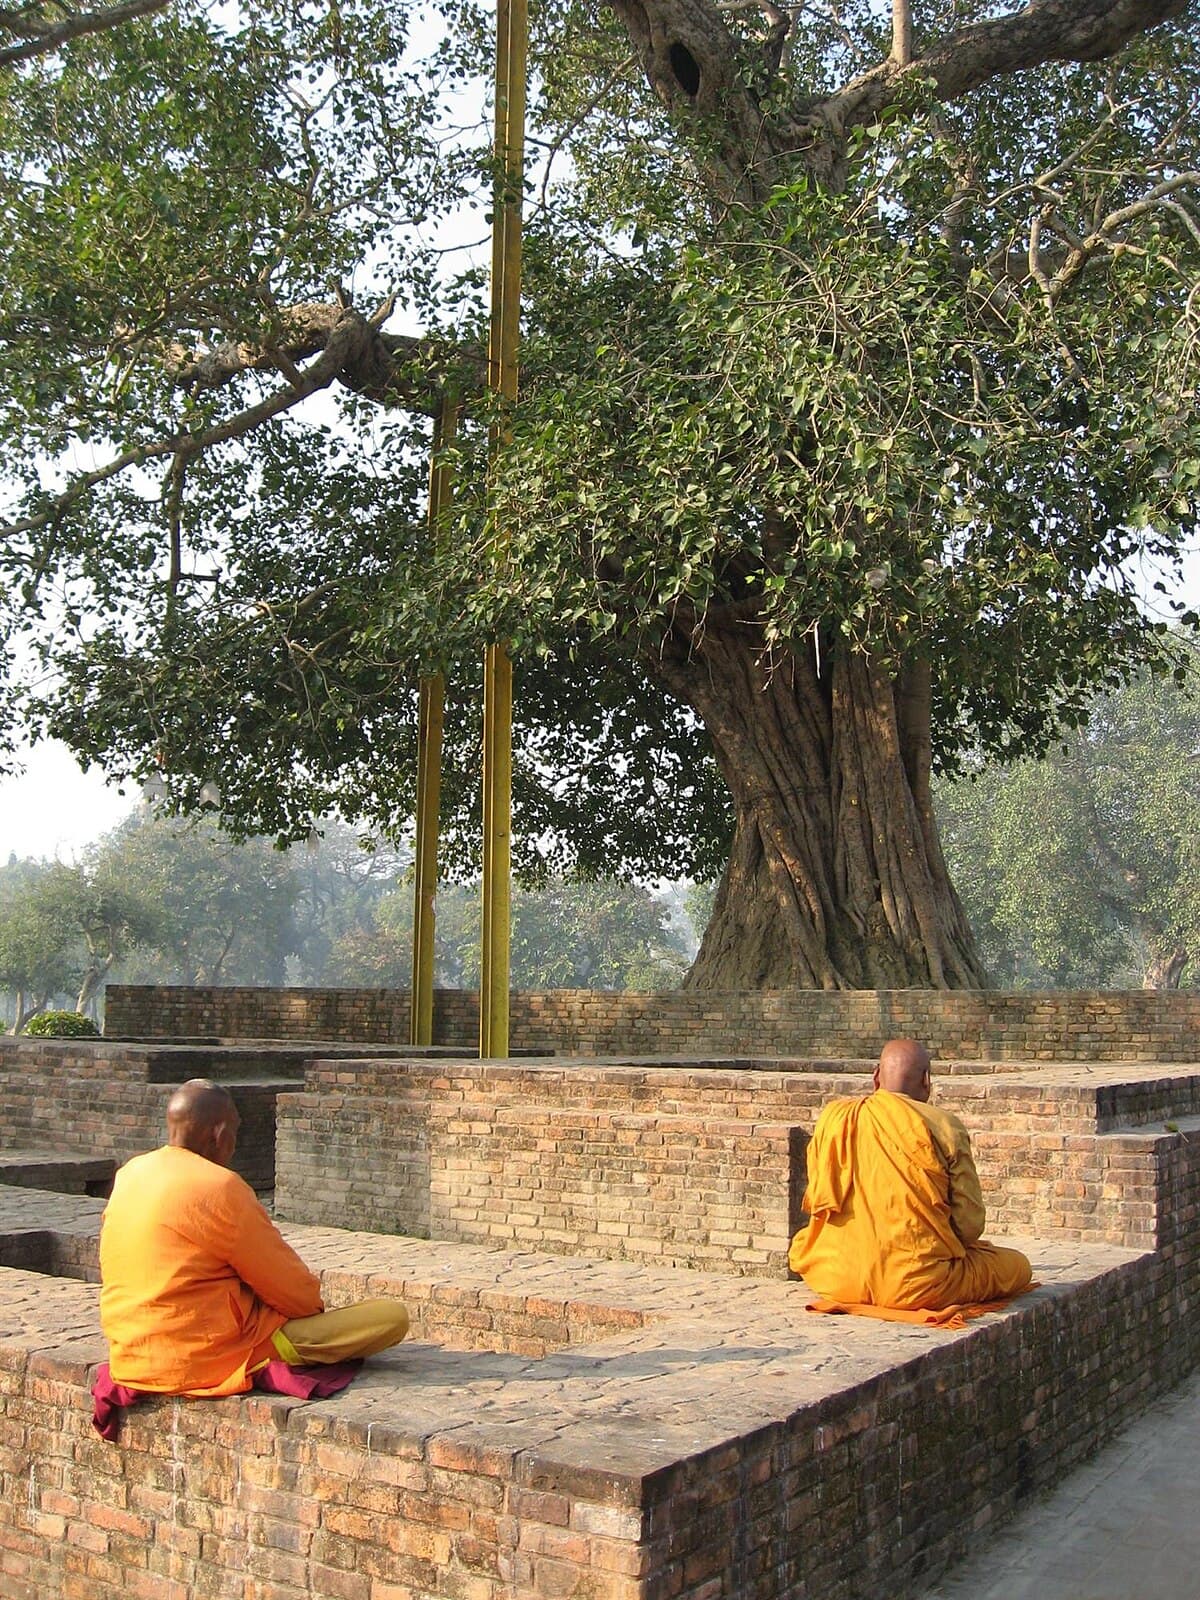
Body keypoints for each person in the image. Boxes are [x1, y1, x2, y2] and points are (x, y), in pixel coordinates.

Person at [99, 1078, 409, 1396]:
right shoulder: (220, 1187)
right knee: (390, 1317)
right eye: (235, 1130)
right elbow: (293, 1291)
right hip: (205, 1358)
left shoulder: (131, 1173)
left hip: (130, 1354)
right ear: (220, 1134)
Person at [788, 1038, 1033, 1321]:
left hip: (834, 1276)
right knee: (1017, 1266)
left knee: (807, 1243)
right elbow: (969, 1226)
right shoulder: (944, 1126)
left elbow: (819, 1200)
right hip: (919, 1284)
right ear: (927, 1081)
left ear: (876, 1077)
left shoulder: (834, 1118)